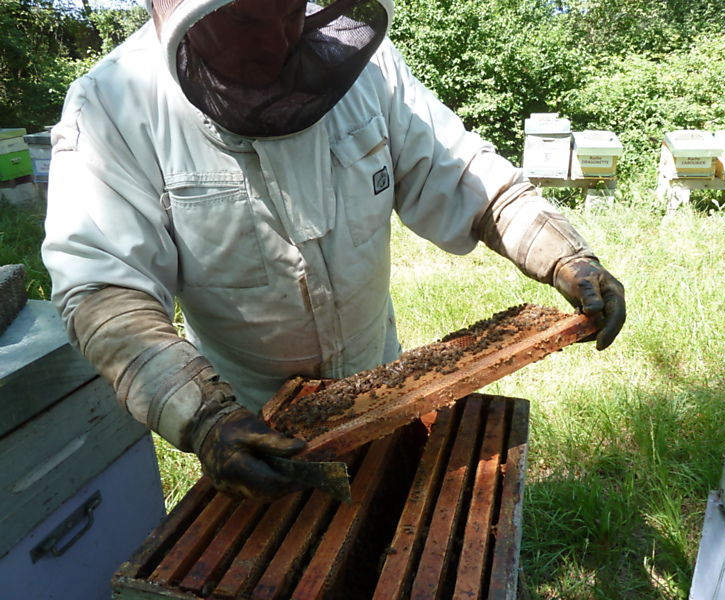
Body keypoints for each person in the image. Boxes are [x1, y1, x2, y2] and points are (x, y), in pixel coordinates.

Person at [41, 0, 625, 501]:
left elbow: (465, 174)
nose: (275, 40)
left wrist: (564, 255)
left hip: (385, 392)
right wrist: (202, 418)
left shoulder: (367, 73)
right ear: (183, 17)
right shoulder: (115, 104)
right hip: (249, 424)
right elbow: (102, 289)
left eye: (289, 9)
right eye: (245, 18)